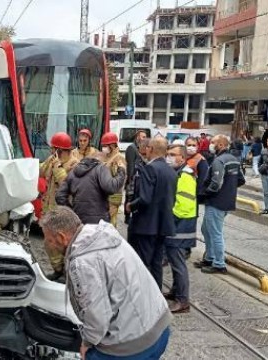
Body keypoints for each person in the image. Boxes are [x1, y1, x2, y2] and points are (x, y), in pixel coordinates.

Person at [39, 207, 171, 360]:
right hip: (159, 327)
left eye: (49, 240)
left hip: (134, 345)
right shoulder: (102, 235)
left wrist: (86, 343)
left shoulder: (83, 263)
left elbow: (97, 318)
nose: (48, 244)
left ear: (62, 237)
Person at [126, 137, 177, 288]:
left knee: (142, 264)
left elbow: (145, 198)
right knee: (156, 264)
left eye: (147, 148)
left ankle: (144, 297)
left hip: (146, 226)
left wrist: (131, 205)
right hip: (162, 225)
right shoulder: (171, 171)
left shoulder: (150, 168)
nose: (145, 150)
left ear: (151, 149)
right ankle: (156, 296)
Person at [194, 134, 245, 274]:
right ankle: (209, 257)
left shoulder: (219, 161)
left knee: (215, 232)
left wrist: (204, 194)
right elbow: (241, 180)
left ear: (221, 145)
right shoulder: (233, 160)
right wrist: (229, 189)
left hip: (216, 202)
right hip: (226, 201)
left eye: (213, 142)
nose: (210, 145)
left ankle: (219, 263)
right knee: (206, 229)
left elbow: (216, 184)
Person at [164, 145, 197, 313]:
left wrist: (169, 220)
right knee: (176, 261)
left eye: (172, 155)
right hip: (179, 226)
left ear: (182, 158)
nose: (168, 157)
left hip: (180, 227)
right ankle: (176, 291)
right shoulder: (180, 174)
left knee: (178, 264)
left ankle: (183, 301)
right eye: (168, 154)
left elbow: (183, 205)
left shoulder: (185, 176)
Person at [55, 154, 126, 225]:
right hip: (99, 222)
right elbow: (111, 187)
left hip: (78, 221)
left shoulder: (73, 172)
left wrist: (71, 212)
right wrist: (121, 170)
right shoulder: (100, 168)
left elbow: (59, 196)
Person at [39, 132, 78, 216]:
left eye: (53, 148)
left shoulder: (74, 164)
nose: (51, 151)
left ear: (59, 150)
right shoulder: (53, 159)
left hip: (62, 213)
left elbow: (67, 186)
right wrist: (47, 163)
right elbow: (40, 172)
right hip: (48, 211)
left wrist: (58, 168)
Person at [101, 132, 127, 227]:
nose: (103, 148)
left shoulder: (118, 159)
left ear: (112, 145)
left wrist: (113, 203)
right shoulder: (108, 157)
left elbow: (118, 181)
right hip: (105, 197)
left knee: (111, 224)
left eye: (105, 146)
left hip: (113, 198)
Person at [124, 131, 148, 224]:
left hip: (139, 177)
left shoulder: (141, 148)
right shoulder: (131, 148)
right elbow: (130, 163)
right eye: (143, 136)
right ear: (137, 137)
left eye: (145, 137)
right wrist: (130, 178)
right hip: (132, 177)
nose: (144, 138)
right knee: (129, 197)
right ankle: (127, 217)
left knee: (135, 197)